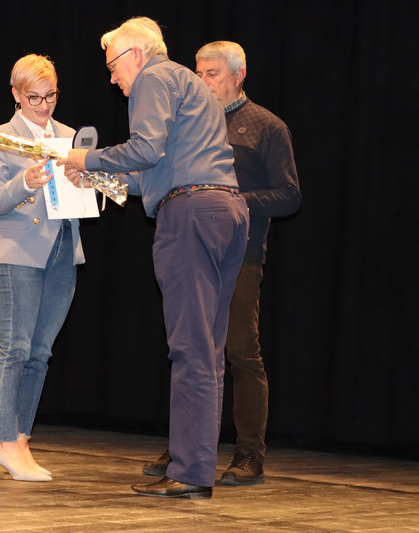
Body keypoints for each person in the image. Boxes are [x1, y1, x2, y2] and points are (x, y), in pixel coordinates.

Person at [61, 18, 249, 499]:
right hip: (225, 209)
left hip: (190, 213)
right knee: (207, 350)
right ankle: (195, 468)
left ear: (137, 55)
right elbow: (154, 171)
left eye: (113, 66)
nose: (112, 79)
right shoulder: (190, 84)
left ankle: (189, 472)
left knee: (190, 348)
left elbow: (144, 148)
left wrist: (86, 159)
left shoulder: (153, 78)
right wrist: (98, 178)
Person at [142, 41, 302, 487]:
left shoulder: (266, 126)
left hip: (240, 251)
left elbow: (290, 195)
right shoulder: (189, 120)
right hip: (192, 243)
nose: (202, 81)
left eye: (211, 73)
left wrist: (227, 199)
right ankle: (187, 450)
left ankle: (249, 453)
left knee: (239, 352)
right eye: (198, 73)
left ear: (239, 74)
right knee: (191, 346)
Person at [0, 54, 84, 482]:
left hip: (64, 249)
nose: (44, 105)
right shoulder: (0, 137)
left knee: (40, 353)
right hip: (19, 251)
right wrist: (24, 182)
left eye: (51, 95)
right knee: (15, 349)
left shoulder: (70, 136)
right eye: (34, 97)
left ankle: (21, 439)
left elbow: (81, 196)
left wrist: (86, 184)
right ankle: (3, 441)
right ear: (16, 95)